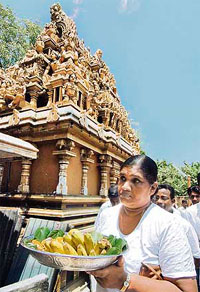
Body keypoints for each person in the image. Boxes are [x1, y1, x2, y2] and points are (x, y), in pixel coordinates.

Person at [89, 155, 197, 292]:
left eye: (136, 180)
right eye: (122, 179)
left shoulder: (168, 224)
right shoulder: (106, 215)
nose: (125, 187)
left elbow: (188, 289)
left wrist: (125, 281)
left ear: (152, 188)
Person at [153, 184, 200, 260]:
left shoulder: (183, 225)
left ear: (173, 201)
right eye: (156, 198)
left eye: (164, 198)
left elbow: (196, 255)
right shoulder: (146, 222)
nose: (159, 201)